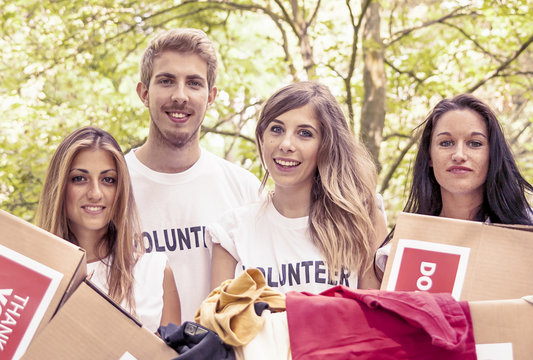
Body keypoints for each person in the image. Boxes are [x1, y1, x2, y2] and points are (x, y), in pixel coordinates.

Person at [126, 28, 261, 321]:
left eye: (194, 83)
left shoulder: (245, 191)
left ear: (210, 97)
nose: (180, 96)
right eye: (166, 81)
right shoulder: (111, 186)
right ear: (144, 93)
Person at [209, 81, 388, 293]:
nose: (286, 144)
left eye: (305, 133)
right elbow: (219, 322)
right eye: (276, 129)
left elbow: (376, 316)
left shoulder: (362, 218)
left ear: (327, 144)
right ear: (262, 138)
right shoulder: (232, 232)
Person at [36, 126, 181, 333]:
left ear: (121, 189)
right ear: (59, 187)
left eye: (108, 180)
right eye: (79, 178)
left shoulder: (154, 272)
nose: (95, 193)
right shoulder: (34, 274)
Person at [375, 94, 533, 273]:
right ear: (429, 156)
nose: (459, 155)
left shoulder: (531, 232)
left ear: (492, 154)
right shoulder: (401, 249)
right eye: (446, 143)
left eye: (475, 143)